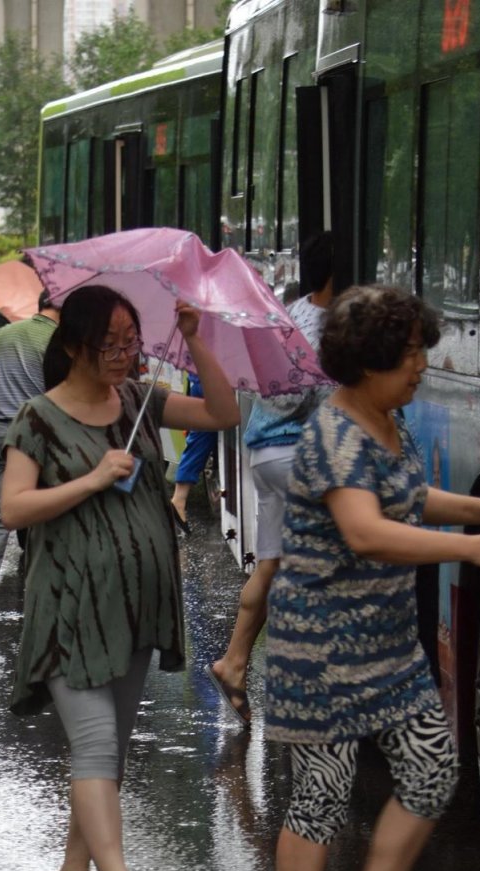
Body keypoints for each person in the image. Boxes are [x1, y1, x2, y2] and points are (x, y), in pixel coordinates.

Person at [262, 284, 480, 871]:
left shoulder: (387, 421)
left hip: (384, 647)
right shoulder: (335, 432)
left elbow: (405, 499)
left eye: (420, 353)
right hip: (320, 651)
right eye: (409, 356)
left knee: (434, 767)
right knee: (320, 791)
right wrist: (470, 553)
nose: (420, 367)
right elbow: (366, 530)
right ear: (369, 363)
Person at [0, 284, 238, 871]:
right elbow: (14, 508)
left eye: (132, 342)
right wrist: (91, 479)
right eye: (111, 343)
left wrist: (194, 340)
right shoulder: (38, 419)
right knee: (97, 744)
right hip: (70, 609)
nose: (125, 355)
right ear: (74, 345)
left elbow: (223, 411)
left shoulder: (139, 400)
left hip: (134, 608)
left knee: (108, 753)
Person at [207, 231, 335, 725]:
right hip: (293, 453)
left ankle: (234, 662)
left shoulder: (295, 310)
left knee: (271, 563)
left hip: (268, 453)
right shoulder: (318, 325)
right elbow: (286, 396)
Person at [0, 288, 60, 616]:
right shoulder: (61, 341)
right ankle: (45, 584)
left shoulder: (4, 333)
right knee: (45, 506)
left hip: (3, 432)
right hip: (41, 432)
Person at [169, 373, 217, 533]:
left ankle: (179, 499)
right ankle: (178, 500)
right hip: (212, 381)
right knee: (202, 434)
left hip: (199, 379)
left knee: (200, 437)